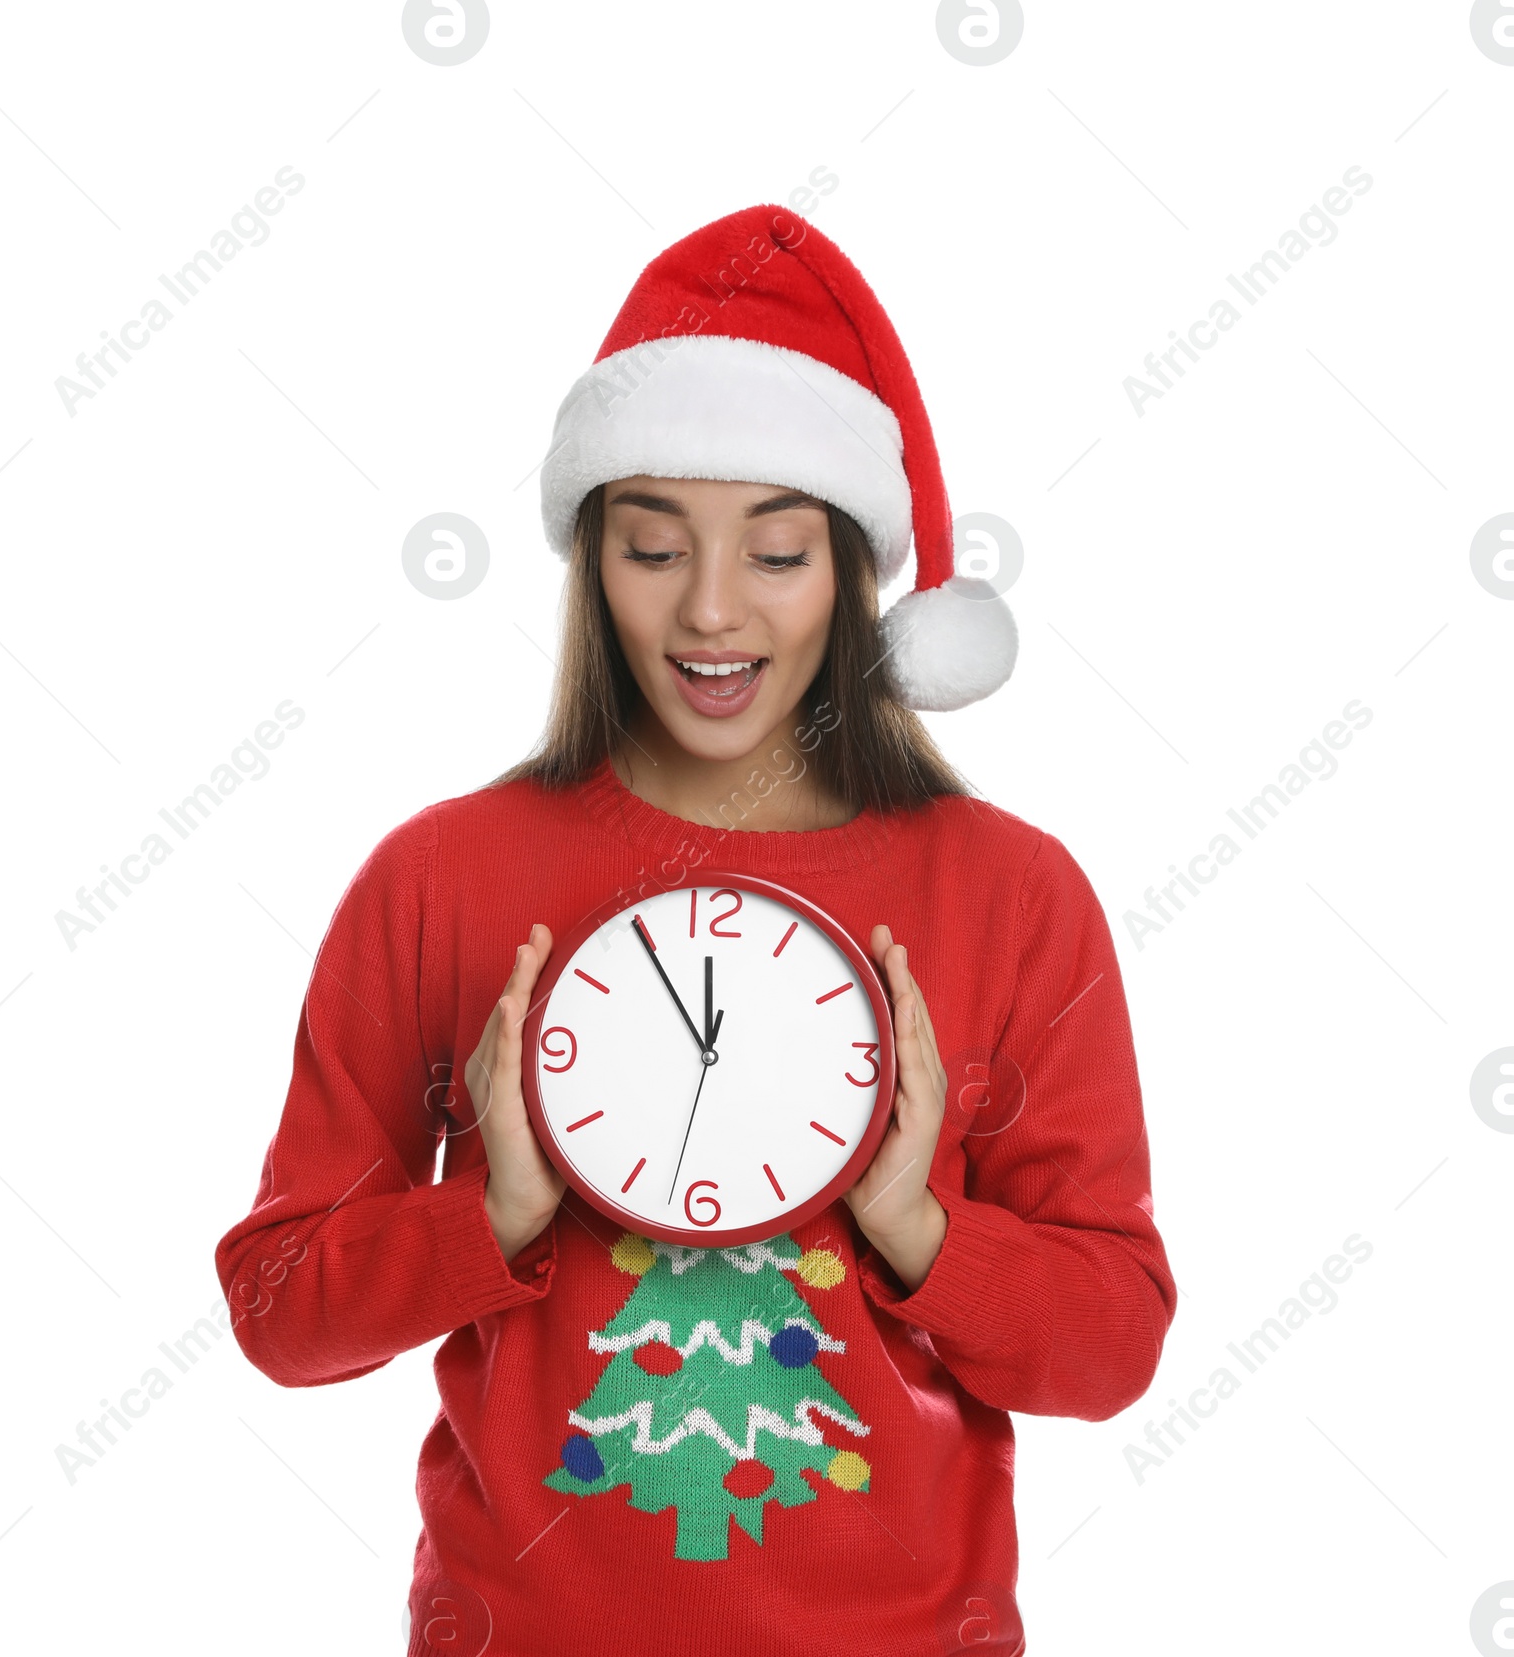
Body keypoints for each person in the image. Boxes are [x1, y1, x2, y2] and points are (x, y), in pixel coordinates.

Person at [215, 204, 1177, 1657]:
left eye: (778, 556)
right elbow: (282, 1306)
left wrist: (919, 1222)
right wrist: (492, 1216)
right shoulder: (442, 878)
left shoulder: (1011, 894)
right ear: (594, 558)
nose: (711, 610)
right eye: (654, 546)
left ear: (854, 575)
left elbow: (1112, 1345)